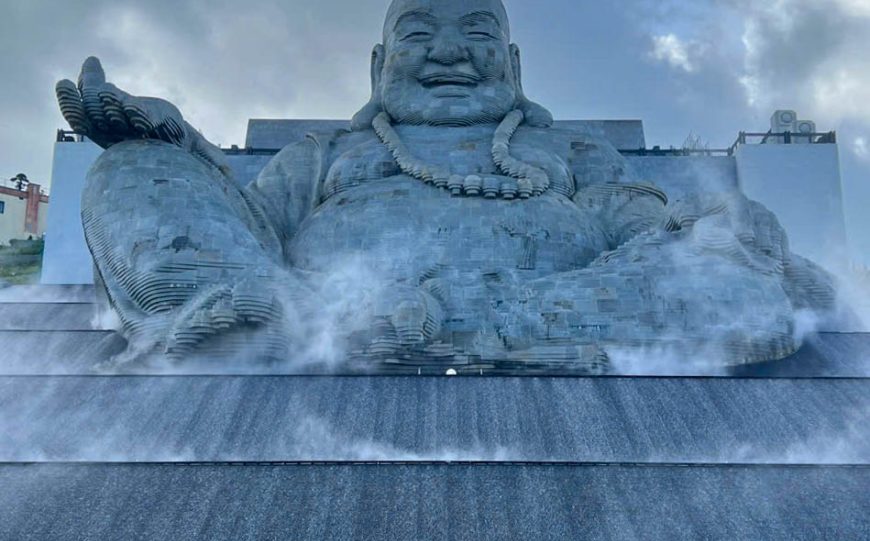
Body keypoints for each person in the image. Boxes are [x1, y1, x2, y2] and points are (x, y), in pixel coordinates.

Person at [55, 0, 835, 371]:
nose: (450, 52)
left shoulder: (568, 153)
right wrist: (172, 143)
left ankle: (414, 327)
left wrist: (721, 227)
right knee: (131, 167)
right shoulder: (326, 155)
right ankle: (286, 318)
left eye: (477, 33)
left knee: (730, 250)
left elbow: (653, 224)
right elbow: (240, 225)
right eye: (421, 33)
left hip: (547, 303)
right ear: (377, 66)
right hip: (301, 297)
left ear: (516, 65)